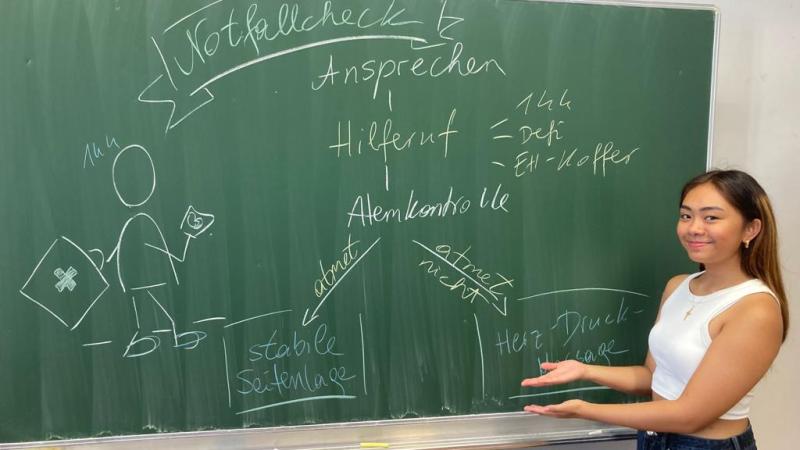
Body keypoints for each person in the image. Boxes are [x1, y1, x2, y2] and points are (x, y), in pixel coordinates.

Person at [520, 170, 788, 450]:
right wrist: (585, 370)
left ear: (750, 229)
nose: (694, 228)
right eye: (686, 216)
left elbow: (690, 415)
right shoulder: (678, 287)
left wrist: (584, 410)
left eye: (711, 217)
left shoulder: (755, 310)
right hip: (653, 439)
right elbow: (653, 377)